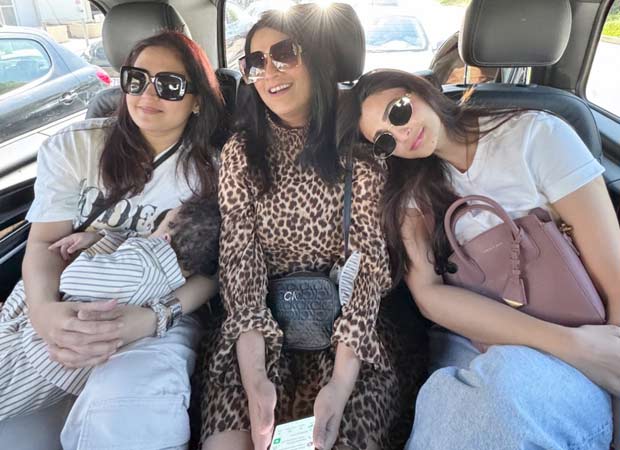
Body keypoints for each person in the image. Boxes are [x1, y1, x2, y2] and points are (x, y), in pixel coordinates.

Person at [338, 68, 619, 449]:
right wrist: (567, 343)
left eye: (399, 111)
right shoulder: (412, 192)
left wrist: (603, 366)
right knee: (448, 394)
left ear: (424, 89)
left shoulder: (536, 136)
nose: (401, 135)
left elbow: (615, 278)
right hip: (486, 345)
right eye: (385, 141)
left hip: (579, 355)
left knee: (500, 388)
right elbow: (429, 295)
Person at [198, 6, 424, 450]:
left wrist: (339, 386)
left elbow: (368, 268)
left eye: (284, 53)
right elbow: (240, 263)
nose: (269, 71)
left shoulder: (361, 148)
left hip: (350, 337)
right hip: (259, 329)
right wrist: (256, 381)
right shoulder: (241, 152)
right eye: (255, 62)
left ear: (318, 57)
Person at [4, 31, 226, 450]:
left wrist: (153, 318)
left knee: (127, 418)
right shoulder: (75, 147)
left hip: (165, 311)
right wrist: (43, 312)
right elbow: (42, 244)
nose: (147, 94)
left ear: (197, 99)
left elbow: (217, 274)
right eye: (136, 79)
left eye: (170, 84)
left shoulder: (216, 172)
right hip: (67, 294)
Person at [0, 196, 220, 421]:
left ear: (165, 238)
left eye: (161, 222)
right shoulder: (169, 279)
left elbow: (73, 280)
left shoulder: (141, 265)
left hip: (40, 352)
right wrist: (96, 239)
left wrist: (87, 253)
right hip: (57, 366)